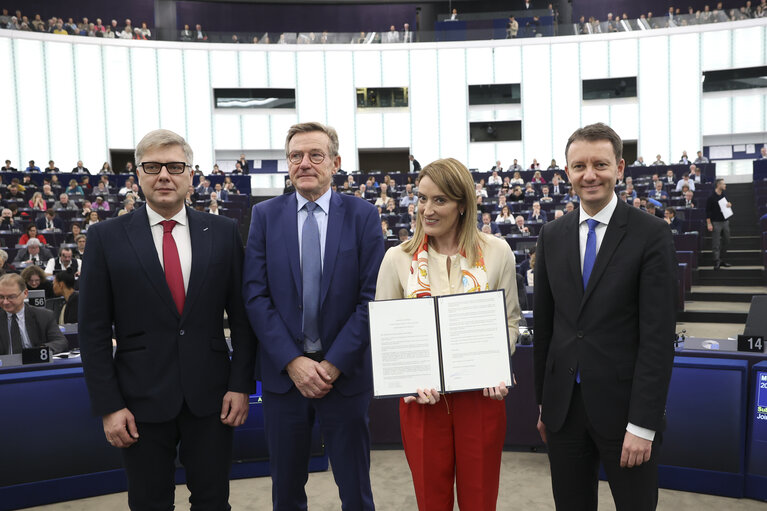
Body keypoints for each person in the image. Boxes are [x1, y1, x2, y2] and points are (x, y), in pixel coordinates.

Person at [78, 129, 256, 511]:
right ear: (137, 174)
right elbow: (92, 332)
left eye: (175, 166)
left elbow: (242, 320)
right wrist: (109, 407)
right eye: (153, 166)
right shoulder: (105, 237)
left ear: (191, 175)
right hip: (137, 403)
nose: (164, 175)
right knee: (149, 503)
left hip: (212, 399)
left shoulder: (223, 233)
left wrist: (241, 385)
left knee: (213, 501)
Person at [534, 123, 676, 511]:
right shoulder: (551, 235)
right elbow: (546, 329)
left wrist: (643, 424)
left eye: (600, 164)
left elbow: (658, 338)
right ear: (567, 173)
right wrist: (544, 405)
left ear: (620, 168)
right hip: (564, 412)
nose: (589, 174)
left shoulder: (652, 234)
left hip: (626, 414)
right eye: (579, 166)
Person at [242, 122, 383, 510]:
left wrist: (333, 364)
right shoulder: (264, 216)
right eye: (295, 156)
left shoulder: (363, 216)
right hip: (285, 380)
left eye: (315, 155)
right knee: (285, 492)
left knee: (356, 491)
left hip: (346, 377)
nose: (304, 163)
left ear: (335, 162)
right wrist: (293, 362)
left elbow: (371, 299)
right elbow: (255, 295)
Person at [375, 157, 519, 511]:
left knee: (480, 500)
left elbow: (510, 322)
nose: (427, 209)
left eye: (439, 200)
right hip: (422, 402)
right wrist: (406, 381)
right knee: (431, 501)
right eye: (422, 199)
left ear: (462, 205)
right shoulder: (397, 258)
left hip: (482, 398)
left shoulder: (497, 252)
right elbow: (385, 336)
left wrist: (497, 363)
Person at [0, 273, 69, 355]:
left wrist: (40, 350)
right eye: (1, 297)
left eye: (11, 297)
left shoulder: (44, 316)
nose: (5, 302)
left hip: (35, 365)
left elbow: (61, 342)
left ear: (25, 293)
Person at [706, 178, 732, 270]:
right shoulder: (711, 197)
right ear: (718, 185)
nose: (725, 185)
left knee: (727, 240)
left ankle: (722, 259)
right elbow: (707, 212)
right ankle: (716, 260)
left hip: (725, 221)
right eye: (723, 184)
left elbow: (728, 204)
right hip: (715, 222)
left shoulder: (724, 195)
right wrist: (709, 224)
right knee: (716, 243)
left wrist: (729, 204)